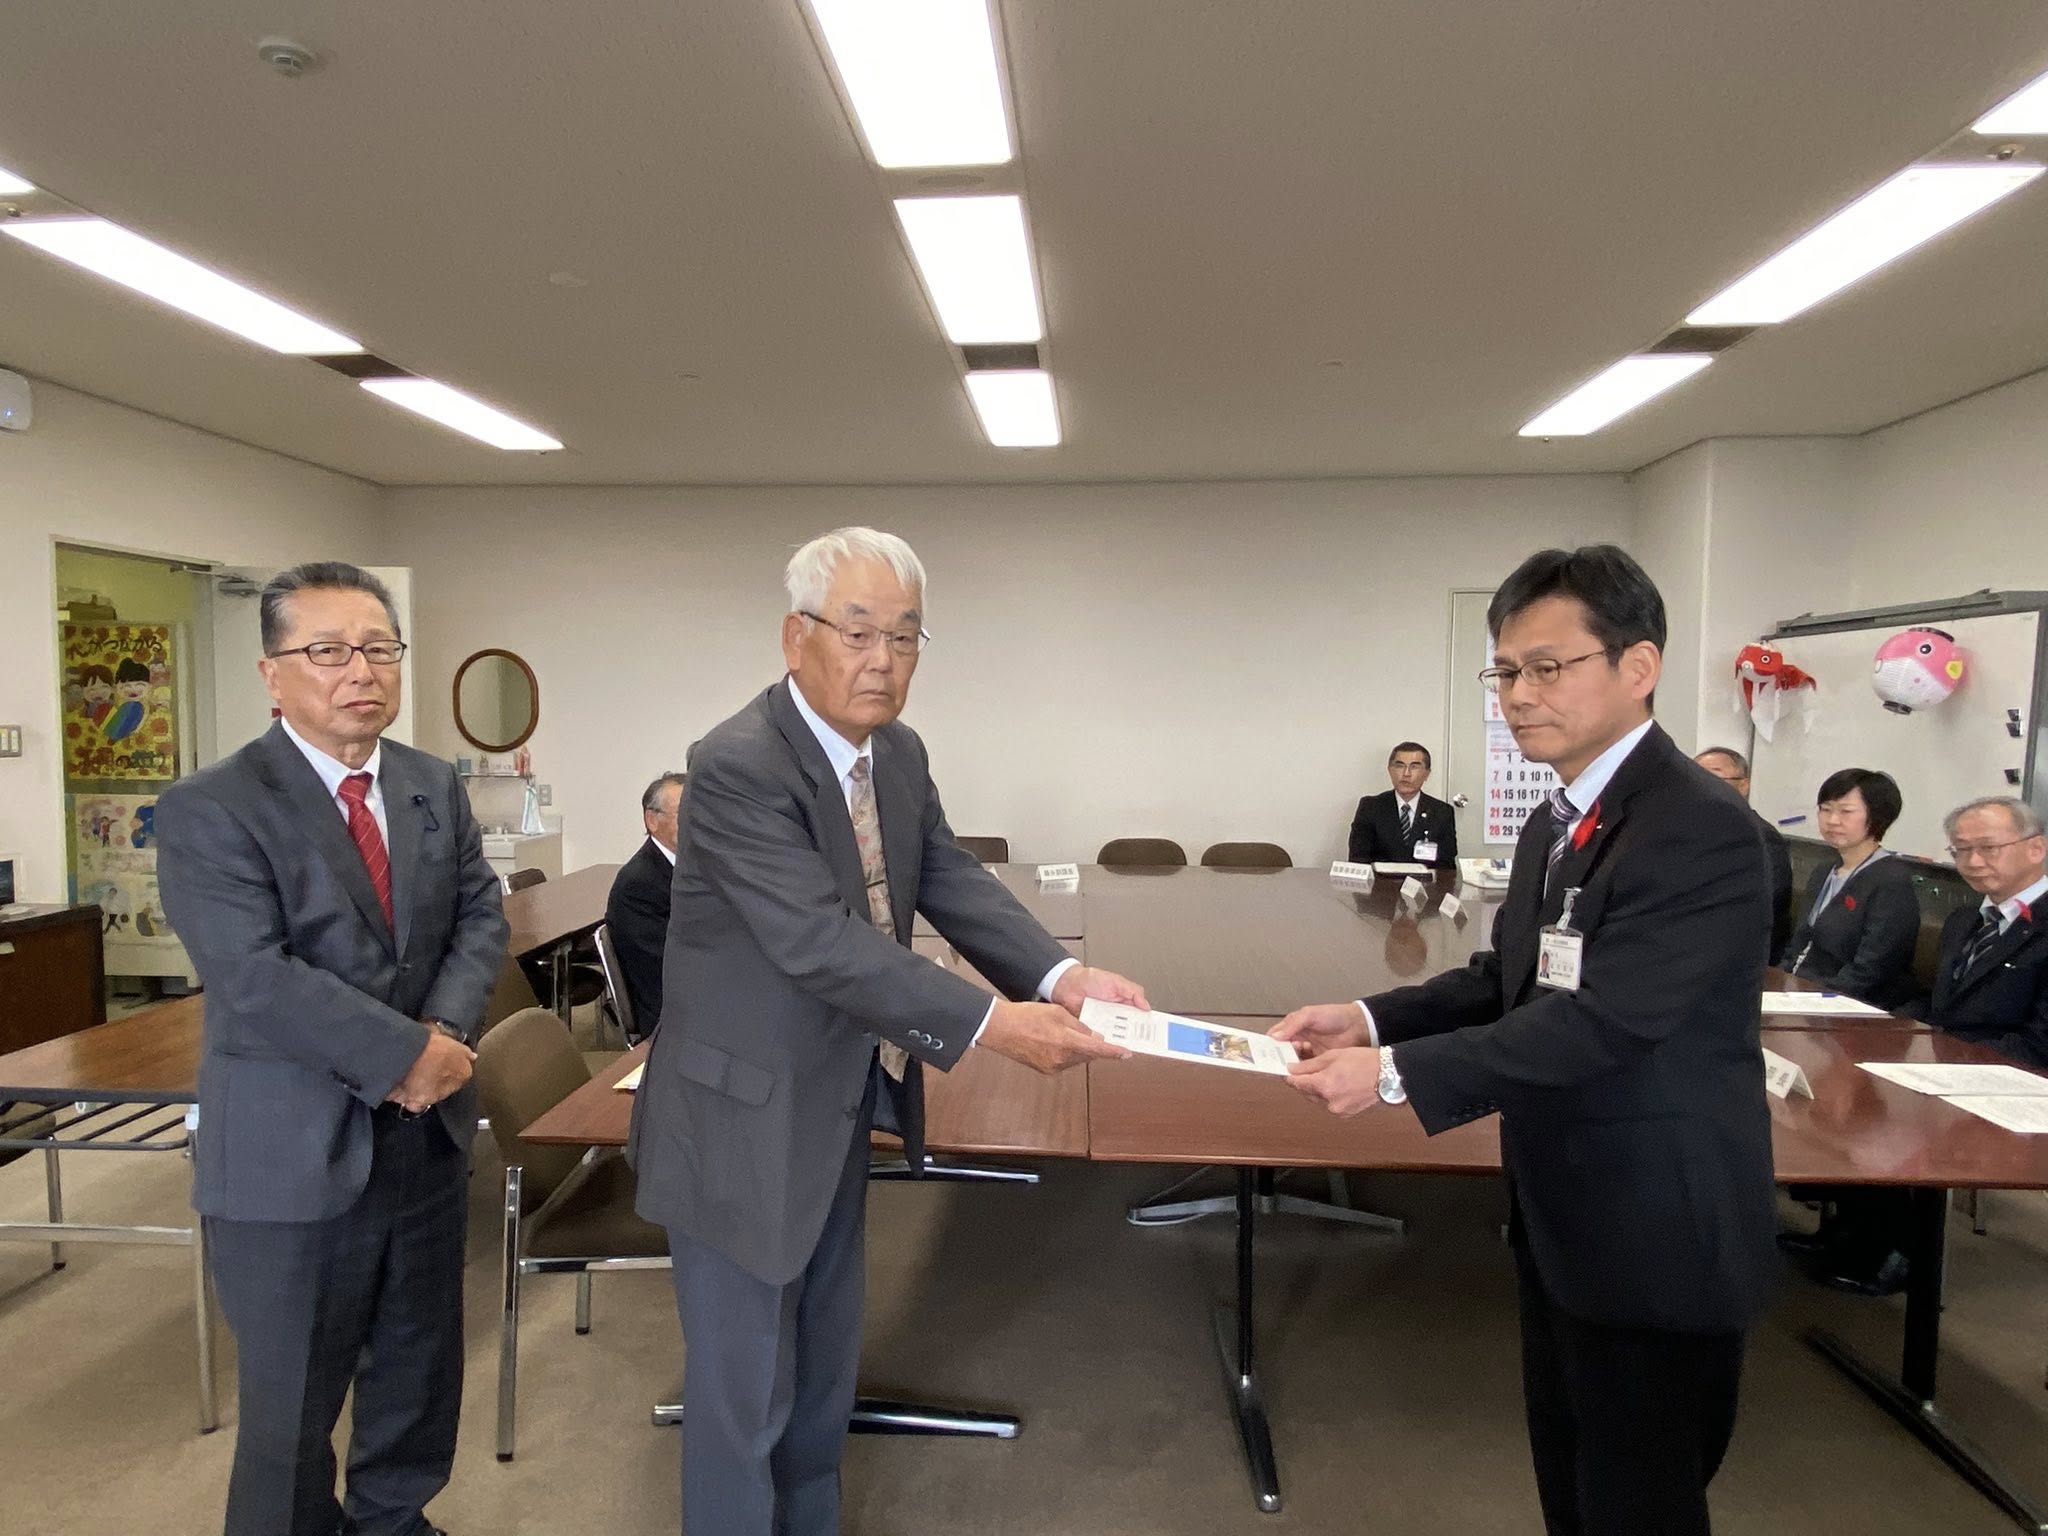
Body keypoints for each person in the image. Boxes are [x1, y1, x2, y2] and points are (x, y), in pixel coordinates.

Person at [627, 526, 1146, 1536]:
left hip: (835, 1101)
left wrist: (1062, 976)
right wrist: (993, 1023)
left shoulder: (895, 753)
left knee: (823, 1368)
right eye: (857, 632)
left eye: (905, 637)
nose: (883, 660)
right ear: (795, 637)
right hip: (738, 1122)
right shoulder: (735, 765)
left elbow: (943, 870)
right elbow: (818, 941)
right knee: (744, 1395)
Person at [1273, 544, 1776, 1536]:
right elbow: (1506, 980)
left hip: (1656, 1223)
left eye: (1548, 667)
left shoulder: (1700, 827)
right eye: (1503, 671)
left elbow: (1608, 1019)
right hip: (1564, 1207)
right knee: (1569, 1466)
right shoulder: (1557, 821)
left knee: (1637, 1496)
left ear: (1638, 667)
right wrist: (1367, 1018)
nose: (1518, 695)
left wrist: (1392, 1074)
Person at [156, 562, 507, 1536]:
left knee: (416, 1373)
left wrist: (445, 1037)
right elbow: (253, 974)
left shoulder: (430, 782)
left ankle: (395, 1521)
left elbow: (479, 914)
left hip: (425, 1142)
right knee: (292, 1410)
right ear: (272, 673)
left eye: (378, 648)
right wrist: (406, 1057)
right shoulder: (213, 805)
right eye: (327, 651)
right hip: (291, 1152)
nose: (361, 671)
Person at [1789, 796, 2048, 1296]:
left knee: (1891, 1126)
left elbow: (2040, 1042)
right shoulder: (1966, 920)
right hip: (1953, 1061)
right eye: (1961, 850)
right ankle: (1851, 1234)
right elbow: (1941, 1006)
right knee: (1851, 1093)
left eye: (1988, 848)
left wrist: (1944, 1061)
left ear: (2036, 848)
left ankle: (1902, 1255)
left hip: (2015, 1077)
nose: (1973, 861)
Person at [1780, 767, 1918, 1010]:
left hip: (1850, 1004)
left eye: (1846, 811)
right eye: (1826, 809)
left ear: (1877, 816)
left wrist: (1816, 1001)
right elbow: (1798, 943)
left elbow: (1872, 969)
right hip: (1800, 993)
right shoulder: (1824, 870)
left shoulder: (1890, 880)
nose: (1833, 820)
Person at [604, 770, 685, 1040]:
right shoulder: (638, 885)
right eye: (684, 814)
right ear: (652, 820)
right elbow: (667, 965)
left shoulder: (690, 866)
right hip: (669, 1013)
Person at [1695, 745, 1794, 957]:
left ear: (1744, 785)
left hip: (1742, 952)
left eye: (1715, 778)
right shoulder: (1691, 833)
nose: (1703, 786)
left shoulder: (1763, 839)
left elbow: (1758, 908)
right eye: (1695, 778)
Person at [1347, 741, 1458, 868]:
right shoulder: (1370, 807)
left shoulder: (1442, 812)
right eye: (1400, 766)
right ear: (1390, 770)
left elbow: (1446, 866)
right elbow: (1358, 860)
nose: (1406, 774)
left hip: (1426, 880)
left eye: (1414, 767)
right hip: (1380, 880)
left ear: (1427, 774)